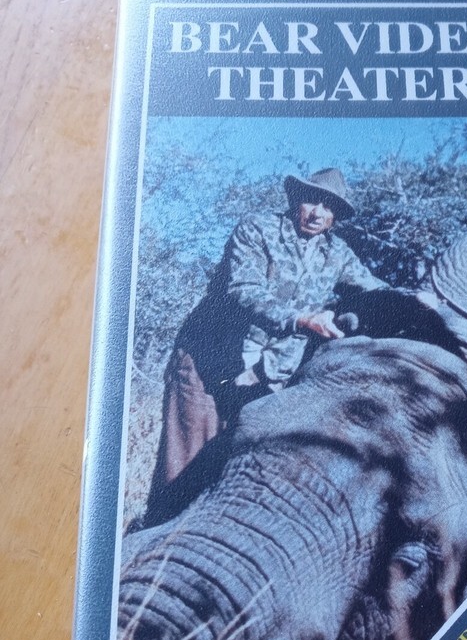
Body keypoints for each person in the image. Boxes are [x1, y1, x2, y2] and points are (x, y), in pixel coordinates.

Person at [143, 168, 388, 526]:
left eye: (328, 206)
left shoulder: (338, 253)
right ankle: (152, 542)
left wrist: (422, 300)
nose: (317, 212)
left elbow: (376, 290)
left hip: (263, 375)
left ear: (336, 216)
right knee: (183, 468)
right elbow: (243, 289)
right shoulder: (257, 228)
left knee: (231, 467)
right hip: (208, 360)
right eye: (312, 201)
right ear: (296, 200)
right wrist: (301, 319)